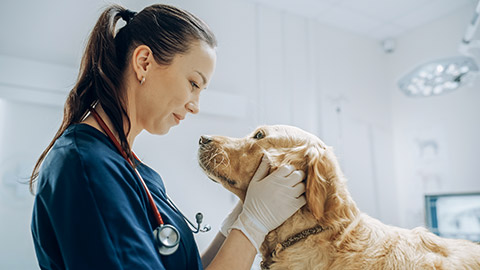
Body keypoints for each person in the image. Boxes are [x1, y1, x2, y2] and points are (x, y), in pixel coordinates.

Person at [29, 4, 306, 270]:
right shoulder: (87, 167)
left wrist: (236, 224)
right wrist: (253, 225)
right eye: (193, 84)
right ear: (144, 62)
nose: (195, 106)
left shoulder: (134, 170)